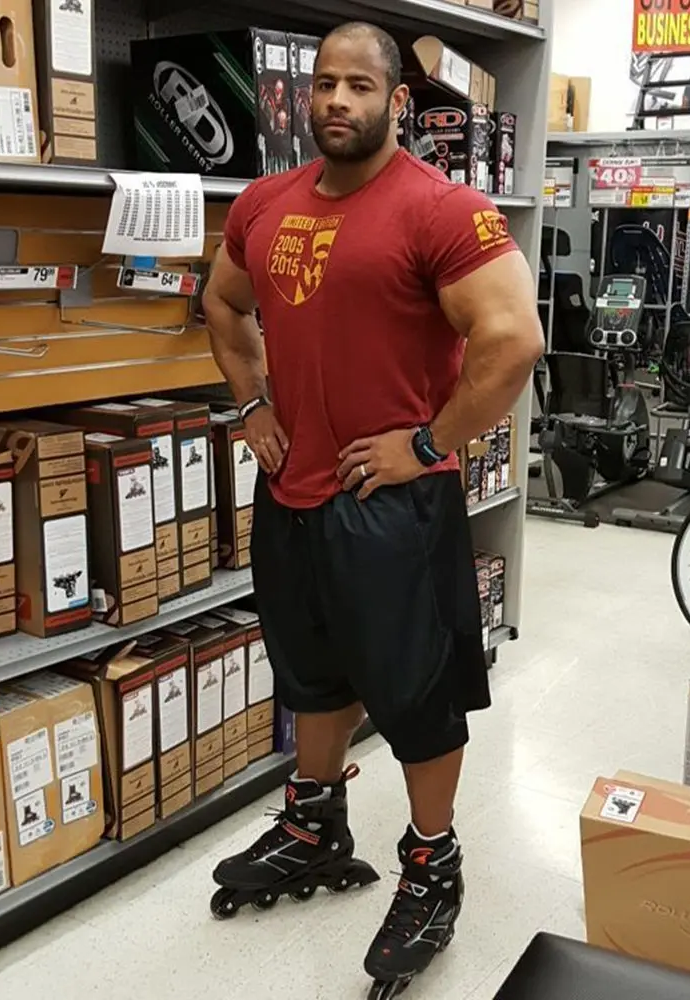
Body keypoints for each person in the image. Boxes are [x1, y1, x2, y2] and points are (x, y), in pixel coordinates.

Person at [202, 20, 543, 996]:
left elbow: (513, 340)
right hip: (292, 491)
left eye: (359, 86)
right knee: (311, 674)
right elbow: (222, 304)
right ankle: (314, 823)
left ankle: (432, 867)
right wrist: (252, 404)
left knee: (416, 695)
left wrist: (427, 445)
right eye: (324, 84)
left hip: (390, 502)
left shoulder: (443, 210)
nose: (337, 101)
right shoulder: (263, 204)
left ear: (397, 101)